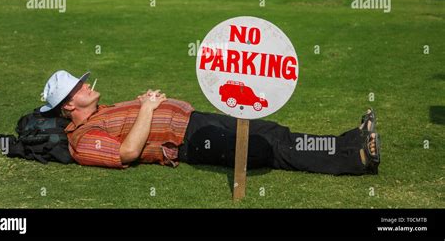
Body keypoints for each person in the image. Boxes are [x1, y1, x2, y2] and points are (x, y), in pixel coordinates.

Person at [40, 70, 380, 175]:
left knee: (273, 131)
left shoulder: (101, 112)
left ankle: (350, 139)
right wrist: (147, 108)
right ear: (69, 105)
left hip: (193, 119)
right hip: (190, 142)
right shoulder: (82, 139)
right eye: (79, 87)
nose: (87, 86)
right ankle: (356, 159)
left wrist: (148, 103)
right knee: (265, 150)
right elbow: (126, 153)